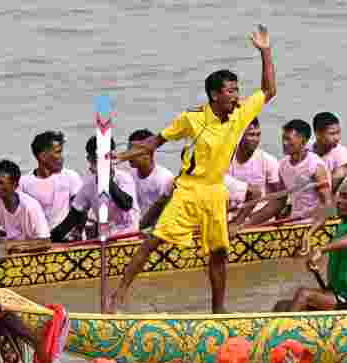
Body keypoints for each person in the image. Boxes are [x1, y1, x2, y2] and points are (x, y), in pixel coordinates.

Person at [110, 26, 276, 315]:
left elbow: (269, 91)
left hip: (215, 192)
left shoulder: (239, 115)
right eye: (230, 90)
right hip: (188, 189)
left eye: (237, 89)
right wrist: (121, 156)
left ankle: (218, 310)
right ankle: (117, 297)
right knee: (153, 240)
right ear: (214, 94)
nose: (237, 95)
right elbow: (154, 142)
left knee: (220, 253)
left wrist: (265, 52)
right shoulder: (192, 118)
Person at [274, 174, 347, 311]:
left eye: (345, 196)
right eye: (339, 195)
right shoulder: (344, 222)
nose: (338, 200)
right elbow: (326, 212)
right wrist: (308, 235)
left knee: (304, 294)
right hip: (336, 294)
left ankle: (282, 330)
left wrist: (321, 250)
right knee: (281, 306)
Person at [51, 135, 136, 242]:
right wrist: (47, 240)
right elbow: (71, 220)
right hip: (105, 242)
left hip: (128, 240)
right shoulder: (88, 185)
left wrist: (104, 178)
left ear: (113, 157)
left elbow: (126, 204)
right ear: (89, 159)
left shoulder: (123, 179)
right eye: (97, 159)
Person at [0, 160, 51, 244]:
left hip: (32, 252)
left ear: (15, 185)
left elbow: (45, 241)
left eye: (1, 183)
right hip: (11, 249)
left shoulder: (30, 207)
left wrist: (13, 244)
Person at [267, 119, 331, 229]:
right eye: (283, 139)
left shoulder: (315, 166)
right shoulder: (283, 165)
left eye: (288, 139)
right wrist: (247, 224)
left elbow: (327, 204)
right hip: (295, 223)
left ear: (303, 140)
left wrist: (312, 230)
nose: (284, 143)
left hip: (314, 225)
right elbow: (278, 203)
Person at [19, 131, 83, 226]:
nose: (62, 157)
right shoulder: (23, 183)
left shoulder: (70, 177)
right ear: (43, 157)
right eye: (58, 152)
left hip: (67, 236)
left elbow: (81, 210)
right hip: (39, 238)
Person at [229, 118, 283, 221]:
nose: (256, 139)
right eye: (251, 135)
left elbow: (279, 199)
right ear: (239, 135)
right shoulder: (225, 160)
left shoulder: (268, 161)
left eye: (258, 135)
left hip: (257, 220)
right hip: (229, 217)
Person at [126, 129, 176, 227]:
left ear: (150, 152)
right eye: (128, 150)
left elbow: (167, 216)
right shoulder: (128, 176)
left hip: (155, 230)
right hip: (133, 229)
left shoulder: (165, 179)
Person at [312, 112, 347, 190]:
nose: (337, 138)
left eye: (338, 132)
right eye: (332, 134)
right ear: (317, 134)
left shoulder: (342, 155)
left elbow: (330, 189)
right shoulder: (305, 149)